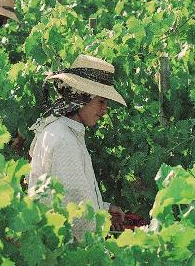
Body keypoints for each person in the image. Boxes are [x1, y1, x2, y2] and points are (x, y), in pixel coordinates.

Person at [28, 54, 127, 241]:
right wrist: (102, 231)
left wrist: (104, 209)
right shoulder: (64, 140)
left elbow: (73, 196)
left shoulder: (63, 130)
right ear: (82, 98)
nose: (105, 110)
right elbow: (77, 212)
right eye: (101, 101)